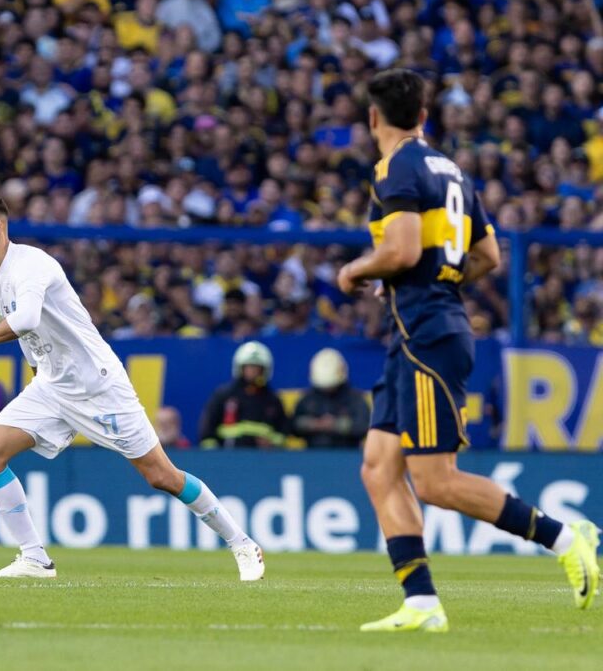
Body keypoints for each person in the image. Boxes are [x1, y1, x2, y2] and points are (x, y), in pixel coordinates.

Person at [337, 69, 600, 633]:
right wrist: (438, 278)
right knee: (379, 467)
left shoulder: (396, 167)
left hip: (427, 334)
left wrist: (357, 270)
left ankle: (564, 536)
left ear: (374, 117)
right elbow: (488, 257)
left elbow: (402, 250)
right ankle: (421, 602)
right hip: (420, 331)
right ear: (423, 115)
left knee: (435, 481)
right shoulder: (451, 169)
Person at [0, 192, 264, 580]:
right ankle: (35, 558)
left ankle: (242, 543)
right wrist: (37, 372)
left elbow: (26, 319)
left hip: (97, 386)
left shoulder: (32, 264)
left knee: (162, 476)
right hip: (51, 387)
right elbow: (31, 335)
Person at [198, 341, 288, 449]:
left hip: (263, 456)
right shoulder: (224, 395)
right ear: (240, 368)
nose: (253, 371)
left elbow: (283, 433)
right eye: (249, 367)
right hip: (228, 454)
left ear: (264, 370)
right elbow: (207, 430)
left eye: (257, 368)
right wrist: (212, 453)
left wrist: (272, 443)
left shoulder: (272, 400)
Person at [291, 348, 370, 449]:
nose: (327, 389)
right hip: (313, 453)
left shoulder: (355, 399)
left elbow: (364, 426)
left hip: (347, 452)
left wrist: (337, 425)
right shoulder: (308, 399)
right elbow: (293, 426)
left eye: (331, 386)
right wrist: (313, 424)